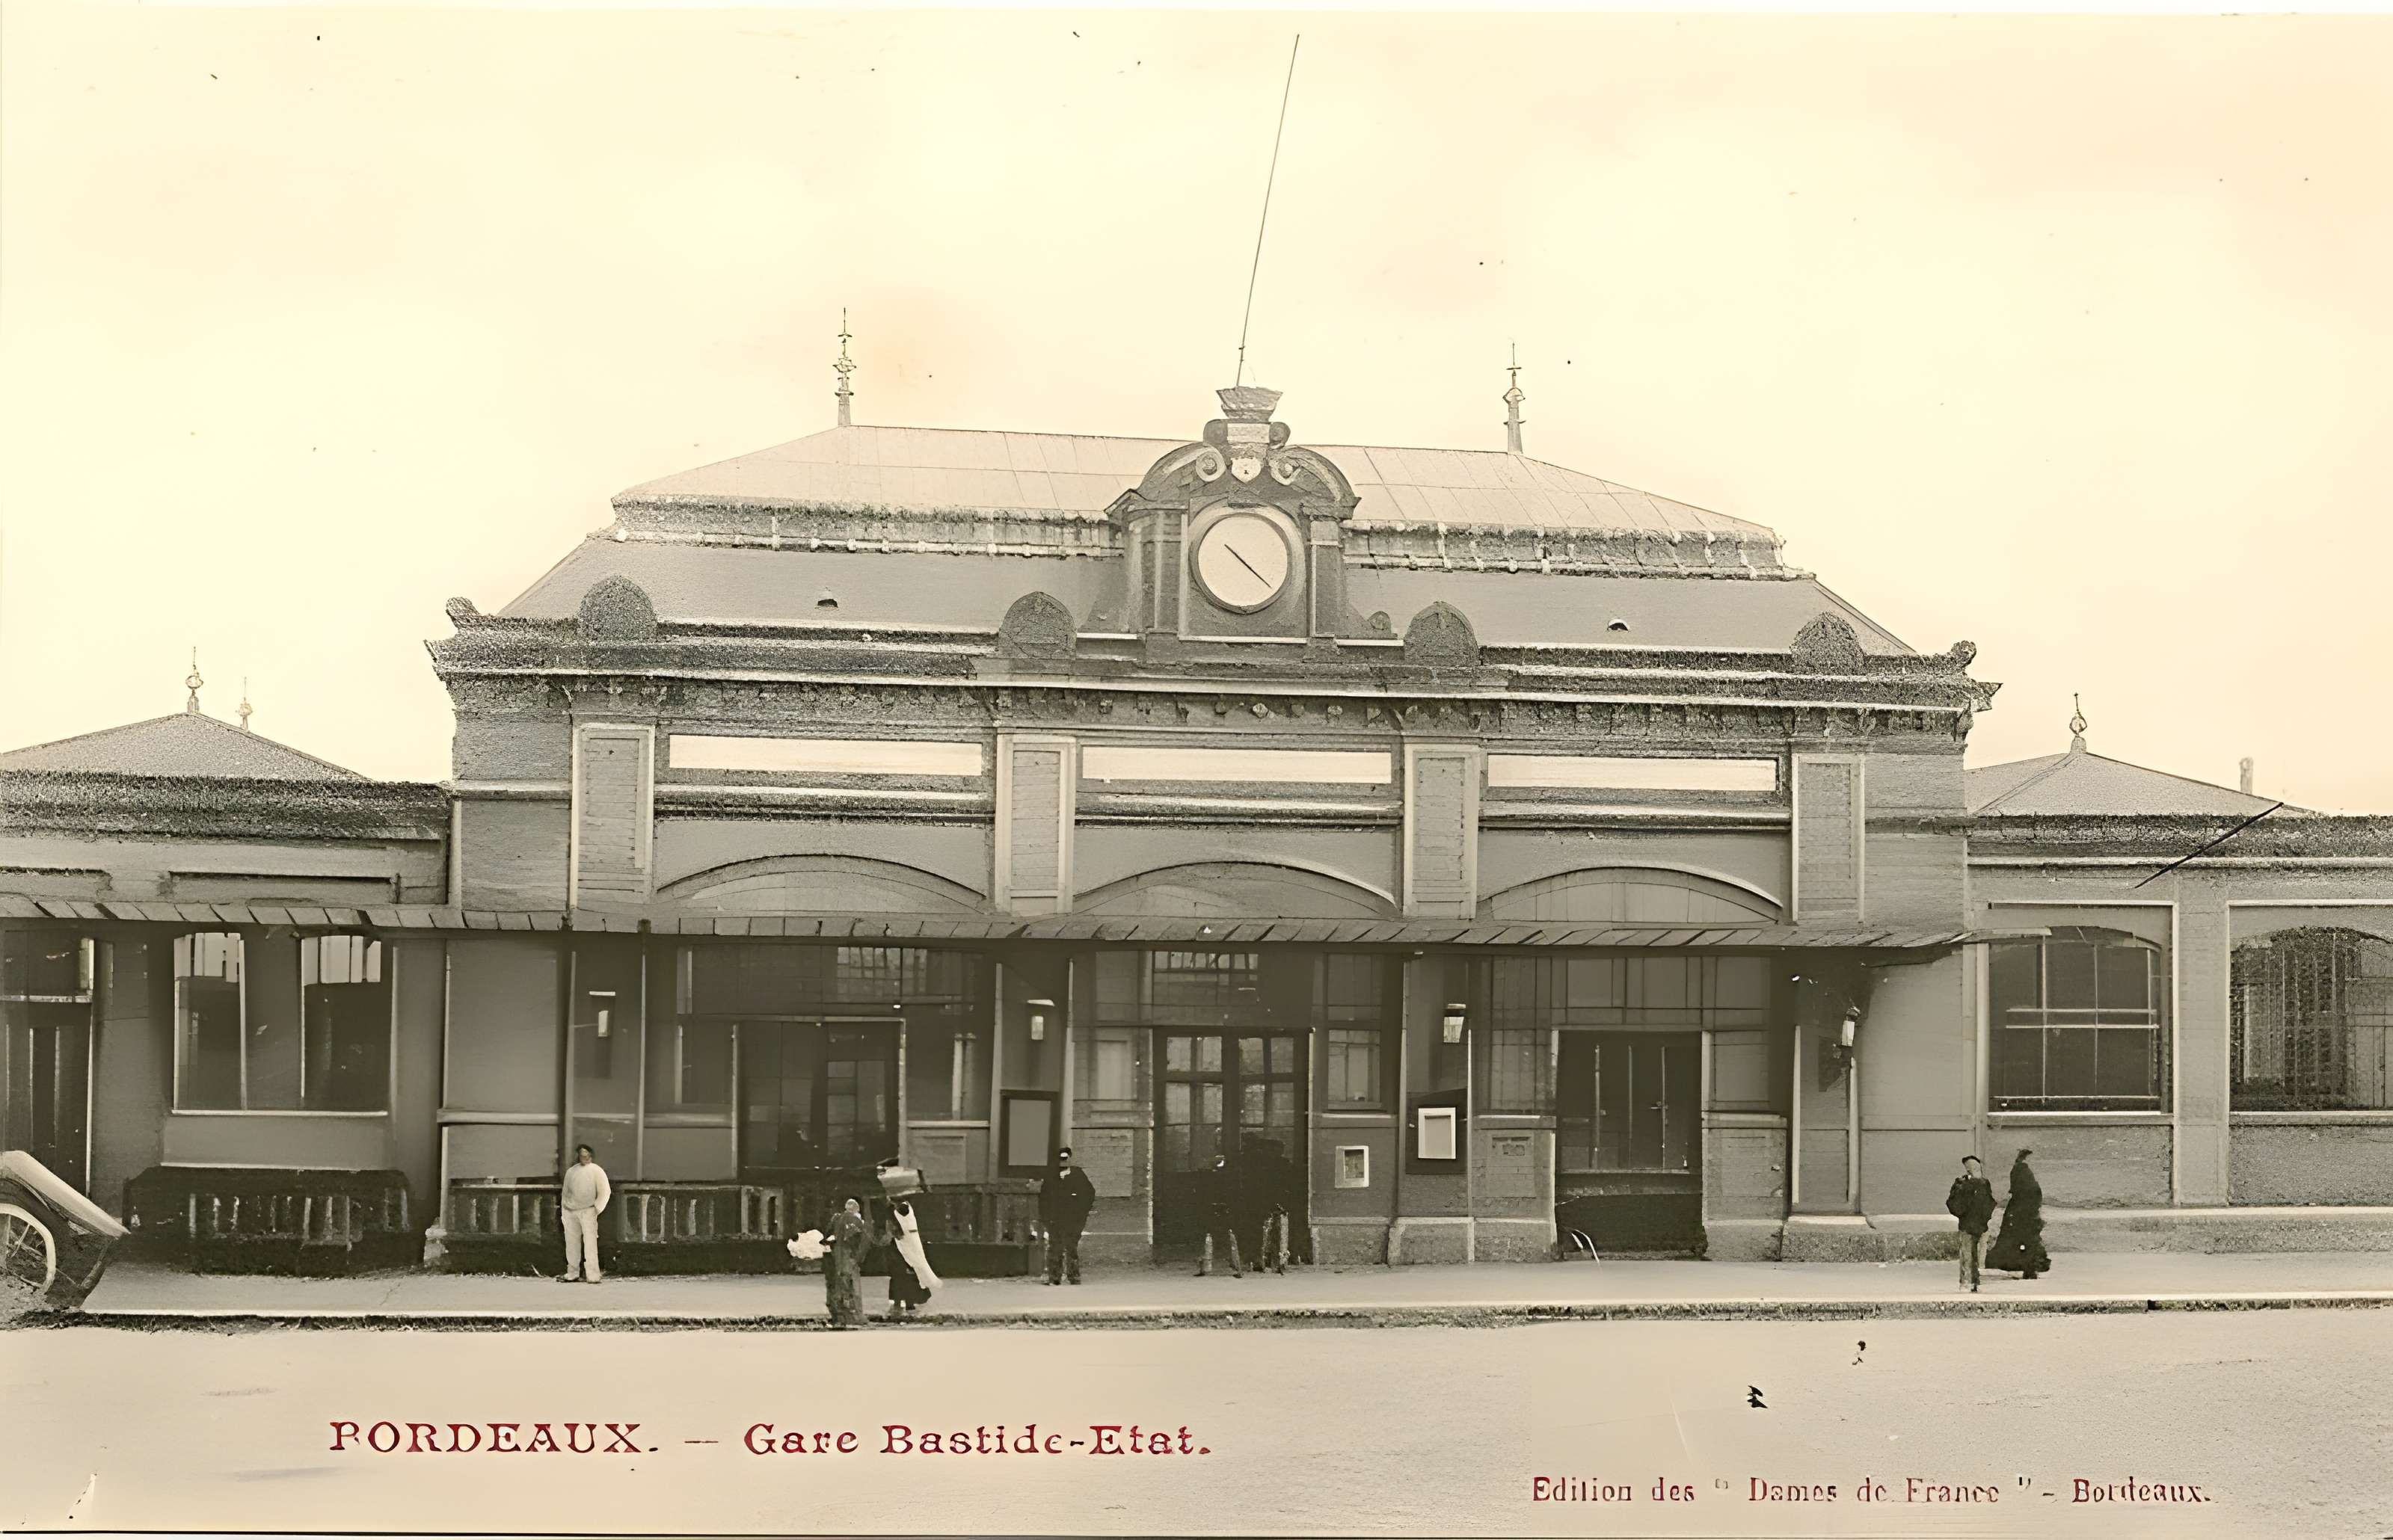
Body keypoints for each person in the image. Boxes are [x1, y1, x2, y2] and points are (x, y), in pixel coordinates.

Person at [1986, 1148, 2051, 1280]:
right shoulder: (2025, 1174)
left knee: (2020, 1244)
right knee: (2027, 1244)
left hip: (2020, 1216)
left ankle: (2025, 1268)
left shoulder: (2021, 1173)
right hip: (2025, 1217)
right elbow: (2033, 1195)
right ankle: (2029, 1269)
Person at [1037, 1146, 1097, 1286]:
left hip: (1073, 1219)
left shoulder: (1078, 1175)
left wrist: (1080, 1213)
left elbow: (1088, 1195)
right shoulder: (1051, 1177)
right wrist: (1046, 1218)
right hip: (1055, 1219)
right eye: (1060, 1159)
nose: (1063, 1162)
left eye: (1065, 1158)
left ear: (1070, 1158)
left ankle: (1074, 1277)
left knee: (1071, 1247)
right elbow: (1044, 1199)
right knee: (1055, 1247)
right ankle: (1054, 1277)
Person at [556, 1144, 611, 1285]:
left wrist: (596, 1209)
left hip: (588, 1211)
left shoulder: (597, 1171)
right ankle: (573, 1273)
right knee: (571, 1244)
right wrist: (565, 1212)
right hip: (570, 1211)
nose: (584, 1157)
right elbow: (565, 1193)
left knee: (590, 1244)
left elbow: (605, 1191)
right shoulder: (571, 1172)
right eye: (582, 1154)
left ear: (591, 1155)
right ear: (578, 1156)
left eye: (587, 1154)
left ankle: (593, 1275)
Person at [1944, 1154, 1997, 1293]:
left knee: (1968, 1254)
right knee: (1975, 1254)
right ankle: (1973, 1282)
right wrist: (1985, 1218)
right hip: (1979, 1224)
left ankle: (1968, 1283)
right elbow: (1990, 1203)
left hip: (1968, 1224)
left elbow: (1953, 1204)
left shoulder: (1963, 1185)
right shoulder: (1983, 1184)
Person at [882, 1198, 940, 1320]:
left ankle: (903, 1304)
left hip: (904, 1246)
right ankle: (905, 1304)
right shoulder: (899, 1209)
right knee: (902, 1275)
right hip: (901, 1246)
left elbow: (897, 1225)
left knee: (902, 1275)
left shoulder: (901, 1208)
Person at [821, 1197, 872, 1328]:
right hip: (849, 1258)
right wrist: (858, 1259)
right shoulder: (857, 1221)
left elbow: (827, 1237)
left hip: (837, 1258)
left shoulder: (836, 1218)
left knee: (838, 1286)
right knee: (853, 1287)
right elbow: (863, 1242)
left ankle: (840, 1316)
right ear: (857, 1209)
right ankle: (856, 1316)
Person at [1195, 1151, 1243, 1278]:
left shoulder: (1208, 1177)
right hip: (1222, 1209)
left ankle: (1206, 1268)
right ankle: (1236, 1268)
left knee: (1209, 1237)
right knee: (1230, 1238)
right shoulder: (1229, 1178)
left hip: (1217, 1209)